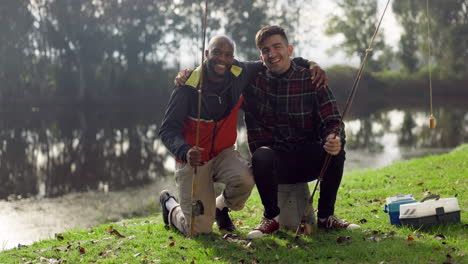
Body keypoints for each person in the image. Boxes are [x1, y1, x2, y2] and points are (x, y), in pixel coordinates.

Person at [158, 35, 327, 236]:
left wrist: (310, 63)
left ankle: (220, 207)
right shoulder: (188, 86)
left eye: (228, 55)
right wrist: (185, 151)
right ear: (206, 54)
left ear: (233, 58)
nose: (222, 59)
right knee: (198, 230)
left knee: (247, 178)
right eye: (217, 53)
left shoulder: (240, 72)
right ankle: (170, 205)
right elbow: (167, 130)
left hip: (223, 154)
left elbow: (274, 61)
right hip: (193, 160)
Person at [242, 25, 360, 239]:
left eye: (277, 46)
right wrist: (187, 77)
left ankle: (326, 216)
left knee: (336, 150)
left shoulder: (311, 78)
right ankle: (271, 218)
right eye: (266, 50)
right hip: (276, 163)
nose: (272, 53)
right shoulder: (254, 83)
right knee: (261, 155)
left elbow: (333, 120)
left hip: (308, 157)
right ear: (261, 56)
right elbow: (220, 70)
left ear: (290, 49)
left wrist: (335, 137)